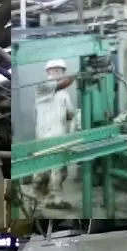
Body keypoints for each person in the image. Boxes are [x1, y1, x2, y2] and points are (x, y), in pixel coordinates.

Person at [34, 59, 76, 207]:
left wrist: (72, 116)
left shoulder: (65, 94)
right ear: (48, 71)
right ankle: (40, 197)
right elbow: (61, 84)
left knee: (59, 169)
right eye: (55, 69)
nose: (58, 72)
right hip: (45, 135)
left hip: (60, 134)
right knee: (43, 170)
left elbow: (70, 113)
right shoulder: (43, 86)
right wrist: (77, 75)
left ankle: (55, 199)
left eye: (61, 70)